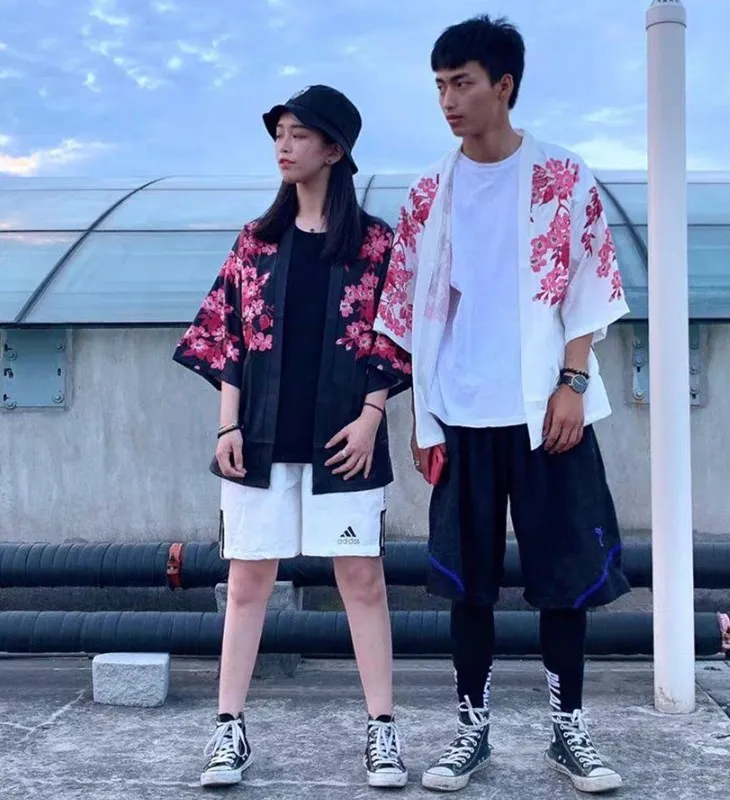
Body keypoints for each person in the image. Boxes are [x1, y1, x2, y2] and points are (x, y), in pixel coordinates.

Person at [368, 16, 630, 795]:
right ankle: (470, 732)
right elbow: (408, 310)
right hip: (461, 412)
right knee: (467, 583)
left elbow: (590, 286)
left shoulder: (562, 177)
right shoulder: (429, 193)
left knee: (564, 578)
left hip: (547, 409)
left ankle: (568, 731)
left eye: (463, 83)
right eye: (440, 85)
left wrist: (572, 384)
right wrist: (421, 418)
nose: (449, 100)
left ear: (504, 86)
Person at [173, 84, 409, 791]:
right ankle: (228, 729)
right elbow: (228, 339)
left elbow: (393, 334)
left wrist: (372, 416)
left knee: (361, 579)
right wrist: (227, 426)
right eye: (279, 132)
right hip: (261, 438)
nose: (283, 144)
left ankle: (382, 730)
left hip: (345, 440)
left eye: (299, 134)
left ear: (334, 150)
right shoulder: (257, 240)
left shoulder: (375, 244)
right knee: (249, 580)